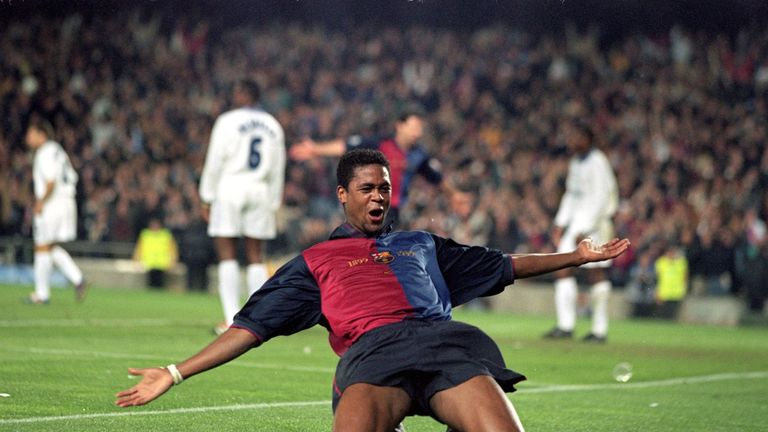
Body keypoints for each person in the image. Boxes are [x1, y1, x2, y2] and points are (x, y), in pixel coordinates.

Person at [116, 149, 630, 431]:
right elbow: (250, 328)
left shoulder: (420, 244)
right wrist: (176, 372)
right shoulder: (315, 261)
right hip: (374, 356)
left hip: (444, 346)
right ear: (343, 195)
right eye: (367, 188)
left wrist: (576, 257)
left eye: (384, 187)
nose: (379, 196)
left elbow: (504, 266)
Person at [198, 78, 286, 334]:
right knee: (255, 255)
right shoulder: (273, 125)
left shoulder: (227, 121)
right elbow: (278, 166)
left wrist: (206, 196)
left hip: (231, 186)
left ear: (244, 94)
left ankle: (231, 320)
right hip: (260, 189)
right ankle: (257, 318)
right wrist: (274, 200)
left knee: (227, 252)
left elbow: (215, 160)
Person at [290, 110, 464, 225]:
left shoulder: (419, 155)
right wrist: (316, 149)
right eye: (414, 127)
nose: (417, 132)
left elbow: (437, 178)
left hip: (393, 212)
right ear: (400, 125)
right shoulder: (381, 143)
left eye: (420, 128)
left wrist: (454, 194)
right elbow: (346, 146)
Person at [544, 121, 619, 342]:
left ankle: (599, 330)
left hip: (596, 224)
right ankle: (565, 325)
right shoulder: (576, 162)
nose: (572, 141)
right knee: (562, 268)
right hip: (576, 224)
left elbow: (603, 197)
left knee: (596, 272)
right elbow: (571, 195)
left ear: (588, 139)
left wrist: (588, 228)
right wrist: (560, 223)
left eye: (577, 137)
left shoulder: (598, 162)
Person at [24, 117, 87, 304]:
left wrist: (40, 202)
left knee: (41, 246)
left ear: (41, 134)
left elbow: (51, 181)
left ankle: (41, 295)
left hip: (53, 203)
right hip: (66, 201)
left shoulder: (45, 152)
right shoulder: (57, 150)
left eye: (31, 133)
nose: (27, 137)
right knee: (49, 246)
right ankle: (78, 278)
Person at [132, 215, 179, 289]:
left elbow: (173, 249)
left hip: (162, 264)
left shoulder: (166, 235)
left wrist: (172, 261)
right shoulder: (145, 234)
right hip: (149, 263)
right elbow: (139, 248)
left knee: (160, 283)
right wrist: (136, 259)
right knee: (150, 283)